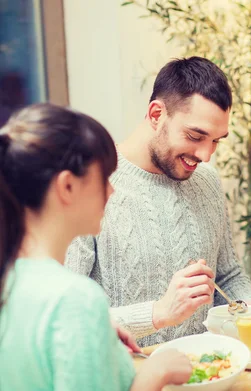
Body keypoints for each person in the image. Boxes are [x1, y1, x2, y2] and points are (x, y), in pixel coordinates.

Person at [65, 56, 251, 347]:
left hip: (207, 371)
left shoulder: (207, 181)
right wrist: (158, 313)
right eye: (195, 136)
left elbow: (227, 276)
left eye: (217, 141)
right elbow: (68, 320)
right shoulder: (89, 187)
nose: (206, 155)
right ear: (156, 115)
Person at [0, 104, 192, 390]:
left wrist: (95, 331)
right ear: (67, 187)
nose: (112, 190)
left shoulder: (13, 279)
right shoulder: (75, 298)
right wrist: (155, 373)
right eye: (103, 178)